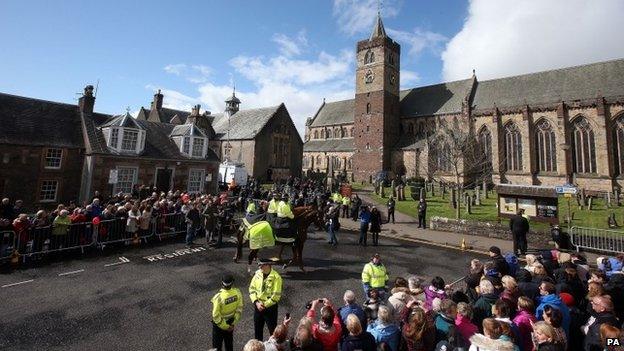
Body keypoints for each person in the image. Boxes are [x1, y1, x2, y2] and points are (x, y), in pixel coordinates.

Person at [249, 259, 283, 340]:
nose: (259, 266)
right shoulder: (257, 274)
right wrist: (257, 303)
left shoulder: (276, 277)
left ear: (268, 265)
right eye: (259, 265)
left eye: (261, 265)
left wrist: (264, 305)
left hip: (270, 309)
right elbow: (251, 289)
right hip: (258, 306)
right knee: (257, 332)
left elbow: (276, 296)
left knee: (273, 332)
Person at [211, 274, 244, 351]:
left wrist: (225, 326)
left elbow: (215, 315)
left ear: (222, 283)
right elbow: (239, 309)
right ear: (232, 283)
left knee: (217, 347)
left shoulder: (218, 297)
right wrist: (232, 324)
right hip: (231, 323)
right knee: (229, 345)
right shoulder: (238, 293)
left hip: (219, 326)